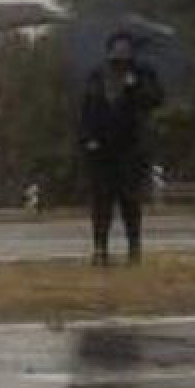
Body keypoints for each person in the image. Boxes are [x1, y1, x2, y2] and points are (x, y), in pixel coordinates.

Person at [80, 32, 165, 266]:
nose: (120, 53)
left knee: (130, 199)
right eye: (116, 49)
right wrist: (88, 138)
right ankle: (100, 250)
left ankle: (134, 248)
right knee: (101, 200)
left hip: (131, 147)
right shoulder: (97, 75)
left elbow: (155, 99)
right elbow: (86, 109)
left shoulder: (143, 73)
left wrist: (134, 86)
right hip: (101, 149)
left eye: (125, 49)